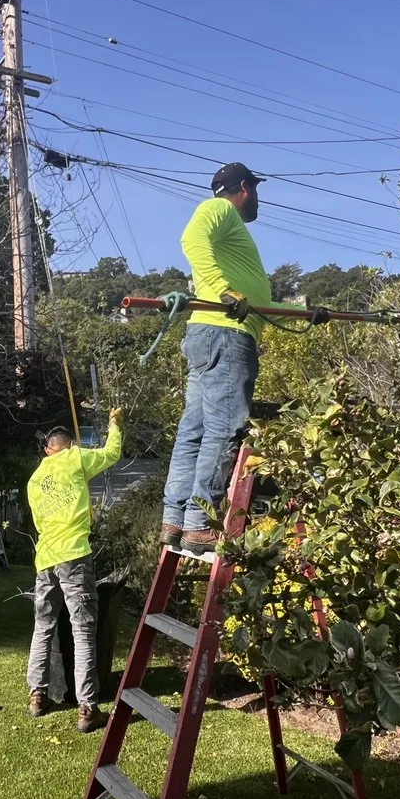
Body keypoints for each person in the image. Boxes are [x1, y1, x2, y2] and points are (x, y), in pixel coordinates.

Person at [160, 162, 272, 556]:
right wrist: (224, 289)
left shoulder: (228, 226)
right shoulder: (220, 209)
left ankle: (175, 518)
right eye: (256, 191)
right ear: (245, 187)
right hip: (225, 334)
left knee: (195, 429)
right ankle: (199, 521)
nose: (257, 199)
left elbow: (256, 300)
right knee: (225, 426)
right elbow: (192, 239)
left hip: (211, 334)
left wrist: (304, 312)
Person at [26, 409, 124, 733]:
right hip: (74, 556)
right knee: (82, 630)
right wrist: (115, 425)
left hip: (46, 559)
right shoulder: (76, 458)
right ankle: (87, 708)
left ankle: (37, 696)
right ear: (69, 445)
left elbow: (39, 523)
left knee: (43, 627)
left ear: (47, 450)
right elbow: (111, 453)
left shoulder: (35, 480)